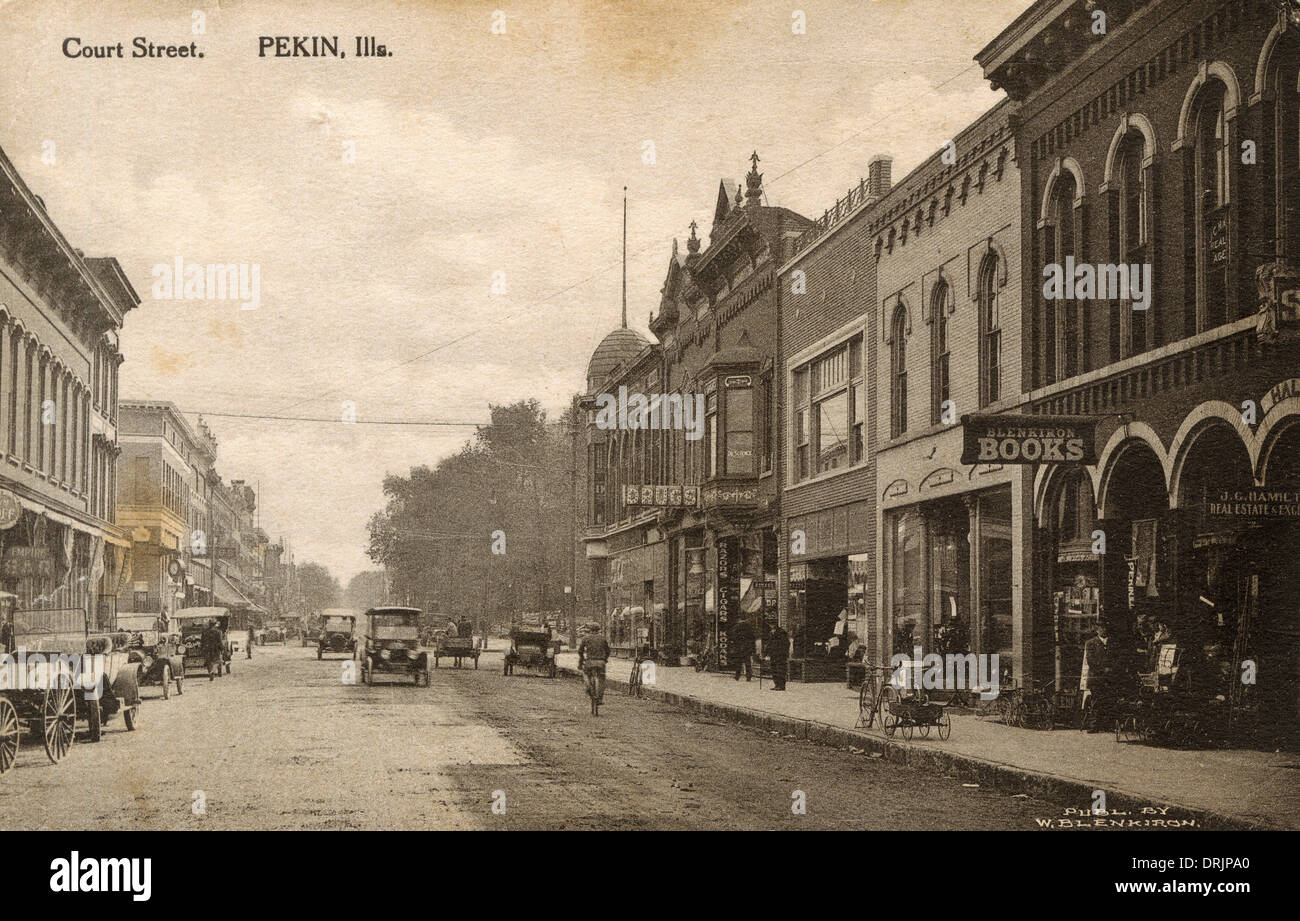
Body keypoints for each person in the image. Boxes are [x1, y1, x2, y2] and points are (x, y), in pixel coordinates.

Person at [1083, 623, 1115, 731]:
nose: (1104, 630)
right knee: (1096, 700)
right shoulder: (1090, 643)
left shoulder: (1113, 643)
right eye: (1101, 628)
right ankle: (1094, 725)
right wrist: (1103, 669)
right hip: (1096, 677)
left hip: (1110, 677)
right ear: (1097, 630)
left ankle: (1108, 725)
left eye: (1105, 628)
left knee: (1109, 700)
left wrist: (1112, 669)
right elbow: (1090, 660)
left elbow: (1117, 658)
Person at [577, 622, 611, 707]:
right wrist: (605, 659)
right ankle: (599, 698)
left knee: (586, 674)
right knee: (602, 679)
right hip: (601, 662)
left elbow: (580, 651)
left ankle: (588, 687)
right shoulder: (603, 638)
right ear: (599, 630)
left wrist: (582, 660)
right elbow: (608, 651)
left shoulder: (586, 638)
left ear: (590, 630)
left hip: (590, 661)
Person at [767, 622, 790, 691]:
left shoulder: (781, 633)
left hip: (780, 654)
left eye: (772, 624)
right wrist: (767, 652)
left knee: (781, 669)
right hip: (773, 654)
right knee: (774, 669)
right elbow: (769, 644)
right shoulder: (771, 633)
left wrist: (783, 652)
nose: (771, 626)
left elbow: (786, 643)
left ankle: (781, 685)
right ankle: (776, 684)